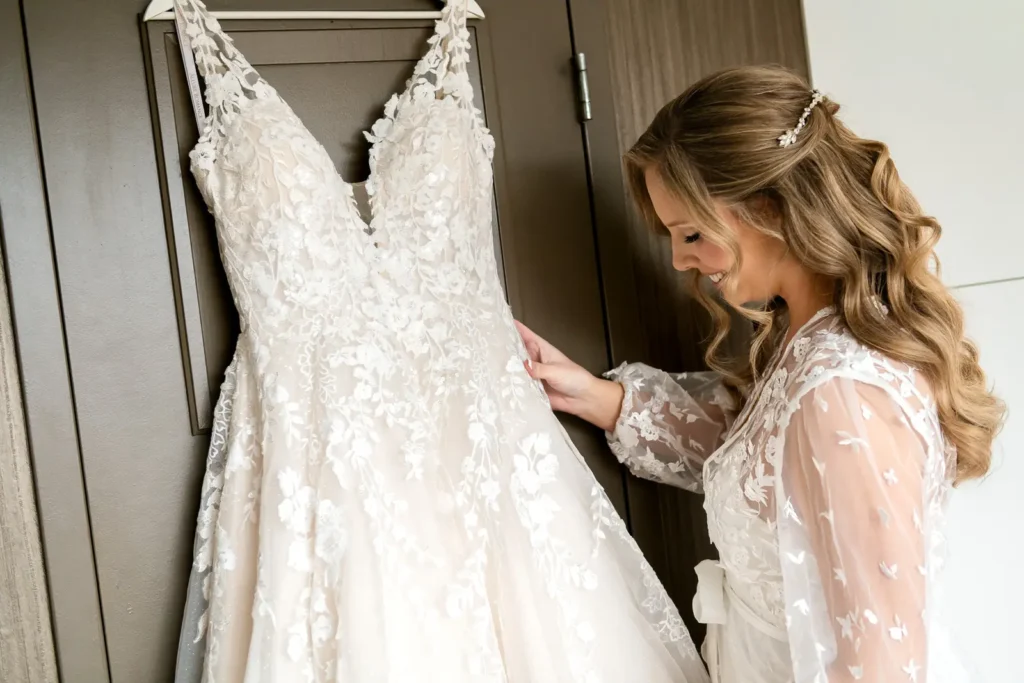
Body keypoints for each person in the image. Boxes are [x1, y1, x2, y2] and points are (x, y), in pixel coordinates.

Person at [516, 65, 1004, 683]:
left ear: (768, 206)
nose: (677, 259)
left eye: (691, 233)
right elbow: (761, 468)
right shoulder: (806, 343)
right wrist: (610, 400)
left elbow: (880, 663)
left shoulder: (842, 391)